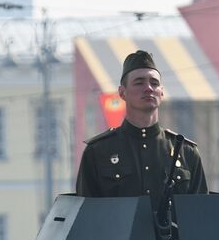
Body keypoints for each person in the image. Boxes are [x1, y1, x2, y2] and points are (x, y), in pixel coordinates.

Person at [75, 50, 207, 201]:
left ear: (162, 92)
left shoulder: (186, 152)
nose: (149, 88)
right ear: (122, 92)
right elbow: (86, 217)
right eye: (139, 82)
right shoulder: (98, 152)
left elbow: (200, 216)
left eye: (154, 83)